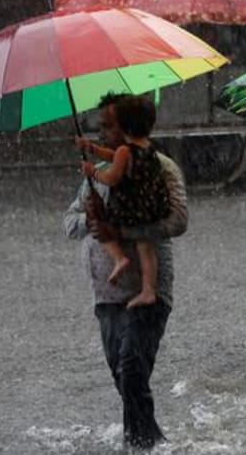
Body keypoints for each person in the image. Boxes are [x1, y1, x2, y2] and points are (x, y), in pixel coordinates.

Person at [62, 92, 186, 450]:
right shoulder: (96, 176)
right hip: (106, 296)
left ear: (128, 126)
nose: (103, 133)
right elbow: (68, 224)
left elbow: (179, 220)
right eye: (99, 127)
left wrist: (125, 232)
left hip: (147, 291)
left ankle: (143, 445)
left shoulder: (158, 166)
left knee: (132, 370)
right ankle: (148, 439)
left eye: (109, 126)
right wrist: (90, 216)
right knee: (124, 375)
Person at [75, 94, 170, 309]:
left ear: (123, 126)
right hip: (149, 211)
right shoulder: (148, 148)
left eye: (109, 126)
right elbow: (113, 156)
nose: (103, 132)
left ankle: (119, 258)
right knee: (146, 249)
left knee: (103, 228)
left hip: (129, 212)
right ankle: (148, 289)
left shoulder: (124, 151)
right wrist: (91, 148)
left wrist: (93, 172)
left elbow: (112, 176)